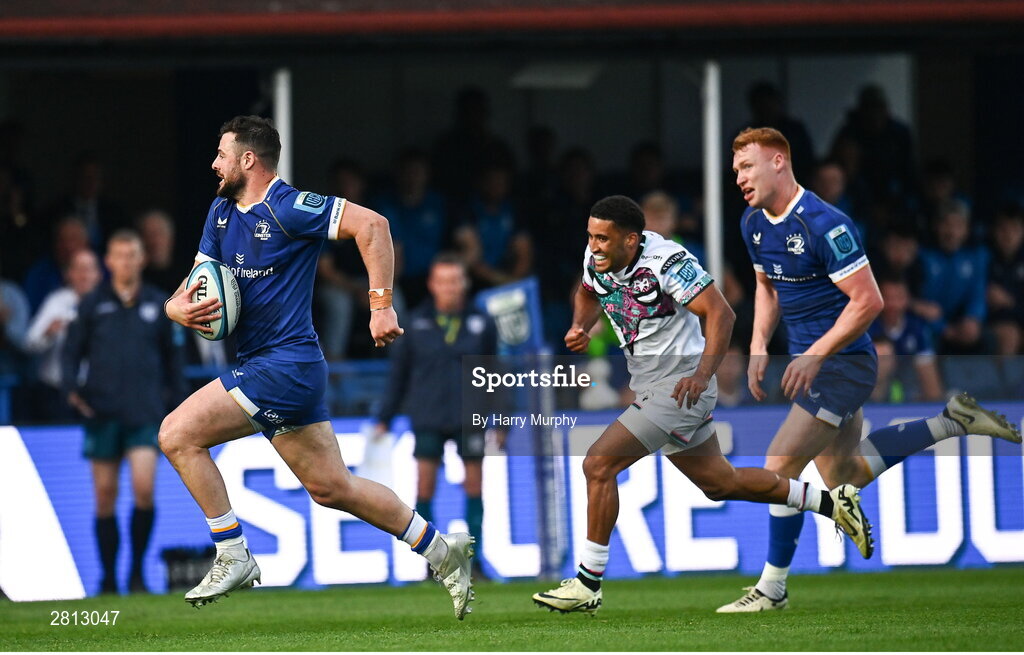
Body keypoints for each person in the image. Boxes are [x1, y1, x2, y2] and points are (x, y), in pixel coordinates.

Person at [158, 115, 475, 618]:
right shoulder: (220, 213)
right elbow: (193, 285)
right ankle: (442, 551)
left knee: (176, 434)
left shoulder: (288, 207)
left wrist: (380, 305)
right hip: (271, 368)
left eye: (222, 154)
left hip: (285, 365)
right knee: (332, 488)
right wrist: (174, 308)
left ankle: (232, 552)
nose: (214, 163)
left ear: (248, 160)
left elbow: (374, 225)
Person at [720, 127, 1020, 613]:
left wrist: (816, 352)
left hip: (844, 364)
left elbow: (869, 300)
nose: (739, 177)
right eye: (735, 170)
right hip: (814, 364)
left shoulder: (825, 224)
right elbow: (766, 287)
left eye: (747, 166)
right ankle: (951, 421)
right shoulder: (753, 223)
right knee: (847, 473)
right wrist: (756, 342)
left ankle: (773, 589)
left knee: (778, 467)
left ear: (779, 162)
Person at [531, 195, 874, 616]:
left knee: (598, 464)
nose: (594, 245)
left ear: (631, 240)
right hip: (651, 384)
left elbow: (722, 313)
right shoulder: (596, 256)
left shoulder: (669, 262)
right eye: (591, 236)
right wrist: (579, 326)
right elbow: (588, 292)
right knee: (720, 483)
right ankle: (830, 502)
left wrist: (701, 375)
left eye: (603, 238)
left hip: (681, 386)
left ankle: (588, 583)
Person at [62, 231, 187, 594]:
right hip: (101, 411)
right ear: (109, 261)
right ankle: (107, 577)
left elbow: (173, 359)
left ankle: (136, 572)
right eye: (119, 255)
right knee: (104, 495)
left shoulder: (157, 304)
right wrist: (71, 390)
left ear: (142, 260)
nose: (126, 261)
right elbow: (71, 352)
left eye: (132, 254)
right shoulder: (91, 305)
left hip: (145, 412)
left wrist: (176, 403)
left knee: (144, 489)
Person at [374, 252, 501, 580]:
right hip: (428, 414)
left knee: (475, 485)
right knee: (425, 486)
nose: (450, 288)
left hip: (470, 414)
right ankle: (431, 562)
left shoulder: (482, 322)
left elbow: (495, 372)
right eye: (443, 281)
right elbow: (399, 375)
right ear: (432, 284)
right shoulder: (414, 323)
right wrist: (384, 416)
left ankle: (476, 560)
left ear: (465, 283)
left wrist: (500, 417)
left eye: (455, 280)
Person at [24, 248, 101, 421]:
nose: (84, 275)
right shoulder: (57, 301)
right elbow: (29, 343)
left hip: (95, 394)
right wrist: (48, 332)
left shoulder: (106, 305)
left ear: (98, 274)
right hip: (55, 392)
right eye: (79, 269)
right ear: (69, 274)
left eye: (89, 269)